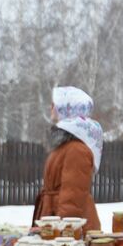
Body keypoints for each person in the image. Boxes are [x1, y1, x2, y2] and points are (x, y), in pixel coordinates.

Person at [33, 86, 103, 232]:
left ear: (67, 108)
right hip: (55, 221)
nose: (51, 107)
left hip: (71, 232)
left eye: (55, 104)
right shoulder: (66, 146)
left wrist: (60, 234)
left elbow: (72, 199)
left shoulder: (76, 150)